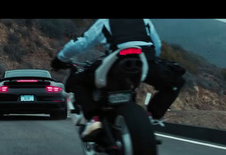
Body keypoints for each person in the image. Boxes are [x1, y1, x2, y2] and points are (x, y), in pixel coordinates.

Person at [51, 19, 185, 141]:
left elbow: (81, 43)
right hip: (144, 61)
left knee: (77, 81)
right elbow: (157, 46)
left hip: (116, 62)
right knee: (175, 81)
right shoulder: (144, 21)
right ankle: (151, 116)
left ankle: (93, 118)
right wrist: (154, 63)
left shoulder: (105, 22)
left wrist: (60, 59)